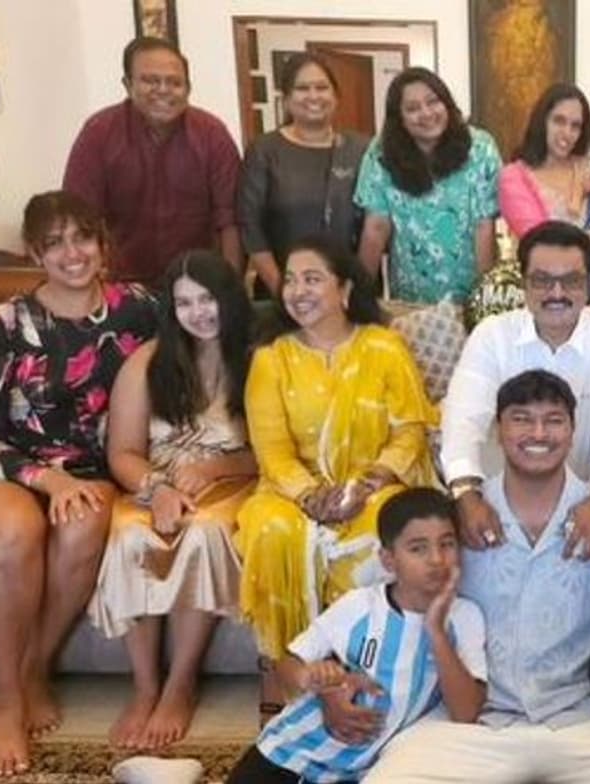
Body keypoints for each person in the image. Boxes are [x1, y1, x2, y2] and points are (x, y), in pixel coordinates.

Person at [363, 370, 590, 782]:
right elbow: (375, 594)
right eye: (521, 419)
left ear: (572, 431)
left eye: (554, 420)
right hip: (472, 723)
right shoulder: (455, 519)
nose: (538, 433)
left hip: (588, 719)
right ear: (498, 431)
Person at [0, 191, 157, 776]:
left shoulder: (140, 309)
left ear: (102, 243)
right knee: (16, 529)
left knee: (85, 519)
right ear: (35, 253)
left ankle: (35, 668)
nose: (72, 253)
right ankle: (7, 702)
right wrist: (47, 479)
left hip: (90, 472)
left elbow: (204, 342)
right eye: (54, 243)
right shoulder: (3, 326)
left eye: (82, 237)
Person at [235, 233, 439, 666]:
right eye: (291, 280)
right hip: (292, 492)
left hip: (374, 485)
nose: (298, 291)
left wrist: (369, 482)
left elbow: (410, 431)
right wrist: (311, 496)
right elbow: (273, 453)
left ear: (344, 289)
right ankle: (290, 666)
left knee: (382, 525)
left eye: (312, 279)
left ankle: (367, 661)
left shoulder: (384, 347)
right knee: (273, 530)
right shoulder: (271, 359)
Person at [88, 250, 258, 750]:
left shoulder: (257, 358)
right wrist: (157, 488)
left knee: (204, 533)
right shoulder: (146, 362)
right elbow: (122, 453)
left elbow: (271, 451)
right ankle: (145, 687)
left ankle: (181, 682)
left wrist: (212, 469)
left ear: (228, 297)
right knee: (128, 536)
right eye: (184, 303)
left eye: (207, 299)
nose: (198, 312)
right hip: (153, 480)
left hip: (228, 479)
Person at [227, 488, 487, 783]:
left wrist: (436, 631)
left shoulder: (465, 617)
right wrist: (316, 682)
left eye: (447, 544)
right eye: (418, 548)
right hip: (289, 754)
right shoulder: (359, 605)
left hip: (358, 773)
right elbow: (286, 663)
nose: (437, 559)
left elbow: (466, 713)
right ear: (388, 560)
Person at [442, 221, 590, 563]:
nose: (556, 293)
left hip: (588, 500)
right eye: (542, 281)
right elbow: (462, 421)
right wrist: (466, 495)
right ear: (523, 283)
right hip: (495, 506)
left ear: (589, 283)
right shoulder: (492, 335)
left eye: (571, 281)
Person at [63, 37, 242, 286]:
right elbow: (78, 216)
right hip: (122, 284)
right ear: (128, 85)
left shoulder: (212, 134)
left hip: (197, 286)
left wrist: (231, 288)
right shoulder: (99, 132)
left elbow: (229, 219)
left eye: (175, 82)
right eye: (150, 80)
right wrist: (90, 289)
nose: (163, 90)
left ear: (188, 88)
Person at [355, 67, 500, 303]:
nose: (426, 113)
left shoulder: (480, 147)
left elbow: (484, 226)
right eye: (412, 108)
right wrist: (358, 297)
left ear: (446, 103)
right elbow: (376, 227)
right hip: (409, 299)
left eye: (433, 102)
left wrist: (484, 299)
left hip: (469, 295)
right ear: (399, 118)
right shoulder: (380, 153)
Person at [238, 52, 369, 297]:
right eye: (302, 88)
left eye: (322, 87)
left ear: (336, 96)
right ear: (286, 99)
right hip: (282, 292)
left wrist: (356, 289)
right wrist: (285, 292)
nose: (313, 96)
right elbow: (251, 229)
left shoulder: (361, 149)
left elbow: (374, 224)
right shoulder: (264, 150)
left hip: (348, 294)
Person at [498, 83, 590, 302]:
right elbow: (540, 239)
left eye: (576, 126)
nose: (567, 133)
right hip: (545, 293)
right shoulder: (514, 176)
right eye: (559, 121)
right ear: (542, 121)